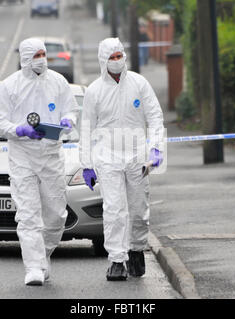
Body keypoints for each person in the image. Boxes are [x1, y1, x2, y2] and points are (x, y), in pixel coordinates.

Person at [0, 37, 78, 286]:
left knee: (56, 216)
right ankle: (33, 267)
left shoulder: (58, 82)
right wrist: (20, 131)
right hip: (23, 157)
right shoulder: (10, 86)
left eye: (44, 54)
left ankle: (43, 257)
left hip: (52, 156)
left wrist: (67, 122)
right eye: (37, 54)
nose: (42, 58)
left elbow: (70, 110)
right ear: (26, 58)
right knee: (28, 214)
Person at [80, 38, 165, 281]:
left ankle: (136, 249)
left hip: (137, 156)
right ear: (103, 61)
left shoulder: (139, 84)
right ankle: (116, 260)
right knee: (114, 210)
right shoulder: (95, 91)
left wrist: (156, 149)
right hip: (107, 157)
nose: (117, 61)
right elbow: (86, 129)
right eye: (112, 58)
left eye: (119, 56)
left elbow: (155, 116)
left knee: (138, 209)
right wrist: (87, 164)